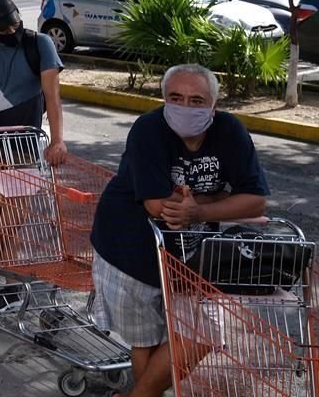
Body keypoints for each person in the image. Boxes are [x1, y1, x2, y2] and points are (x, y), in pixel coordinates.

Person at [89, 64, 269, 397]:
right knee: (146, 340)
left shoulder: (229, 131)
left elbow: (256, 201)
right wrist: (221, 198)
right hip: (130, 249)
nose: (185, 106)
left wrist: (200, 209)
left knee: (205, 330)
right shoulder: (149, 130)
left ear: (213, 106)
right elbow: (159, 207)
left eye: (196, 100)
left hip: (193, 256)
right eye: (176, 97)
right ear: (164, 100)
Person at [0, 0, 67, 302]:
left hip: (25, 140)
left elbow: (52, 94)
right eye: (4, 28)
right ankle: (9, 281)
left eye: (14, 24)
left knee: (15, 218)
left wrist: (58, 139)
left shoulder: (40, 44)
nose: (12, 31)